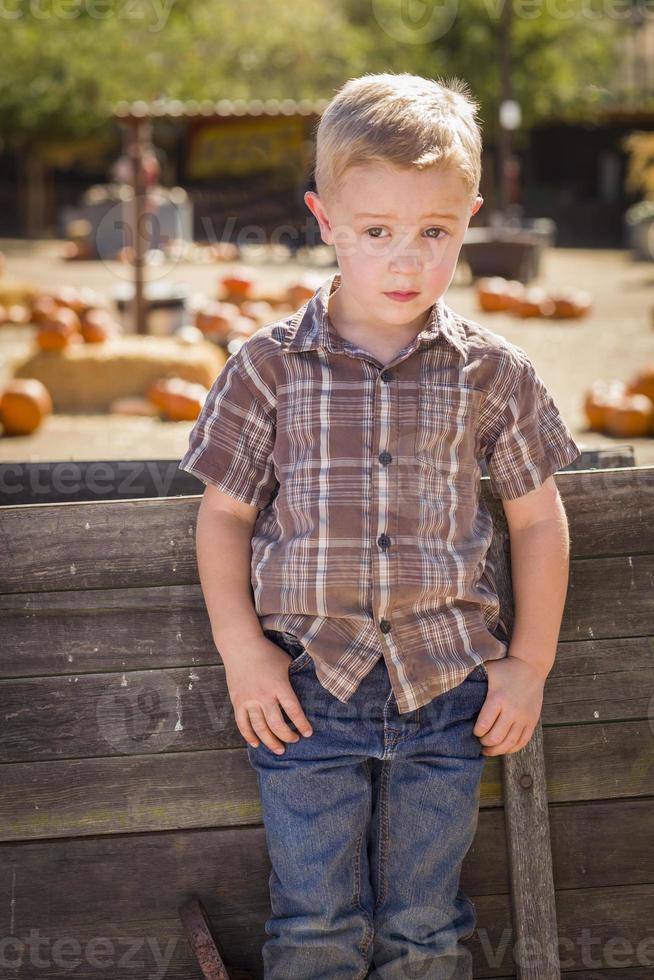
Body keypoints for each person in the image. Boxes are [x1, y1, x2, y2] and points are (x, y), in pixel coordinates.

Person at [178, 72, 581, 980]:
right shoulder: (268, 368)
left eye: (434, 232)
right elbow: (225, 516)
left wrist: (530, 665)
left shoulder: (494, 374)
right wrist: (243, 649)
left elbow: (538, 521)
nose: (407, 262)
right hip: (306, 692)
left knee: (426, 927)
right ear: (325, 220)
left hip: (448, 695)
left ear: (469, 217)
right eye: (377, 233)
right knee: (315, 926)